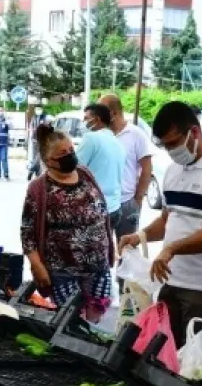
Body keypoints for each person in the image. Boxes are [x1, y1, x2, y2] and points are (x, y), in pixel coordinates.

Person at [118, 101, 202, 347]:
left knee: (195, 368)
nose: (170, 150)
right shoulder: (175, 170)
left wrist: (172, 249)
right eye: (165, 145)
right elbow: (168, 219)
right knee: (164, 357)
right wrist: (141, 235)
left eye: (174, 143)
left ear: (194, 133)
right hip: (171, 282)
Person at [23, 125, 115, 322]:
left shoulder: (85, 173)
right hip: (62, 269)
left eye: (71, 150)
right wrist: (37, 266)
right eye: (63, 153)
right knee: (69, 320)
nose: (70, 156)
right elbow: (27, 233)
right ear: (48, 161)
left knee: (95, 318)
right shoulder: (38, 188)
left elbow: (101, 212)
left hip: (97, 265)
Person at [99, 93, 152, 238]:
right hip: (103, 203)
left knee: (128, 250)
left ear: (113, 113)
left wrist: (138, 200)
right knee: (102, 251)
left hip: (127, 202)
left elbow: (147, 169)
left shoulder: (136, 134)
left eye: (101, 112)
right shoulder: (100, 135)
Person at [77, 103, 124, 230]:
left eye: (86, 118)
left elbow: (73, 169)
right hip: (114, 208)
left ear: (97, 119)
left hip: (94, 209)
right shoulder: (118, 143)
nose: (83, 122)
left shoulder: (91, 138)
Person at [28, 105, 50, 181]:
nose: (38, 110)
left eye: (39, 109)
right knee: (36, 156)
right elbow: (31, 127)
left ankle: (32, 169)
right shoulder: (34, 117)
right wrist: (31, 136)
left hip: (42, 139)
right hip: (35, 139)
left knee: (40, 156)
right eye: (37, 109)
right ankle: (36, 173)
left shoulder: (45, 117)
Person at [0, 107, 11, 181]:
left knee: (3, 158)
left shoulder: (6, 120)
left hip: (4, 143)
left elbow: (11, 126)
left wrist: (8, 120)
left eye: (1, 111)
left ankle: (6, 174)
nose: (0, 112)